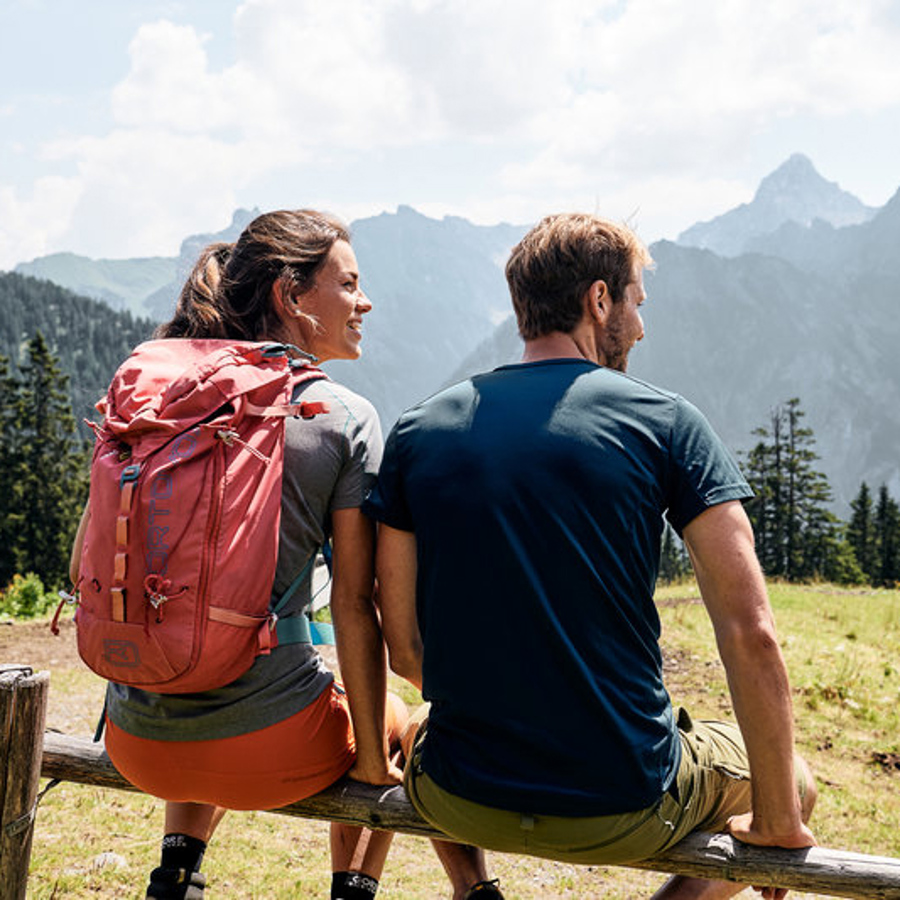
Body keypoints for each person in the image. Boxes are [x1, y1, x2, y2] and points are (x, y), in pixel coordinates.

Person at [363, 212, 817, 900]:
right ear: (598, 300)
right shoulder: (666, 423)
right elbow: (751, 633)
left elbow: (405, 649)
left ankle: (473, 888)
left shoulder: (419, 429)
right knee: (800, 781)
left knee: (427, 718)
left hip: (459, 793)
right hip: (626, 801)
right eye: (636, 302)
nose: (640, 326)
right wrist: (781, 820)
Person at [69, 209, 498, 900]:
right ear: (290, 296)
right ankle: (354, 890)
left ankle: (177, 871)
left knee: (207, 643)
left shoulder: (157, 393)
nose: (366, 301)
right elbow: (359, 607)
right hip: (271, 752)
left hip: (136, 741)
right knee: (394, 724)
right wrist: (369, 765)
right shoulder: (339, 416)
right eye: (350, 283)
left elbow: (87, 556)